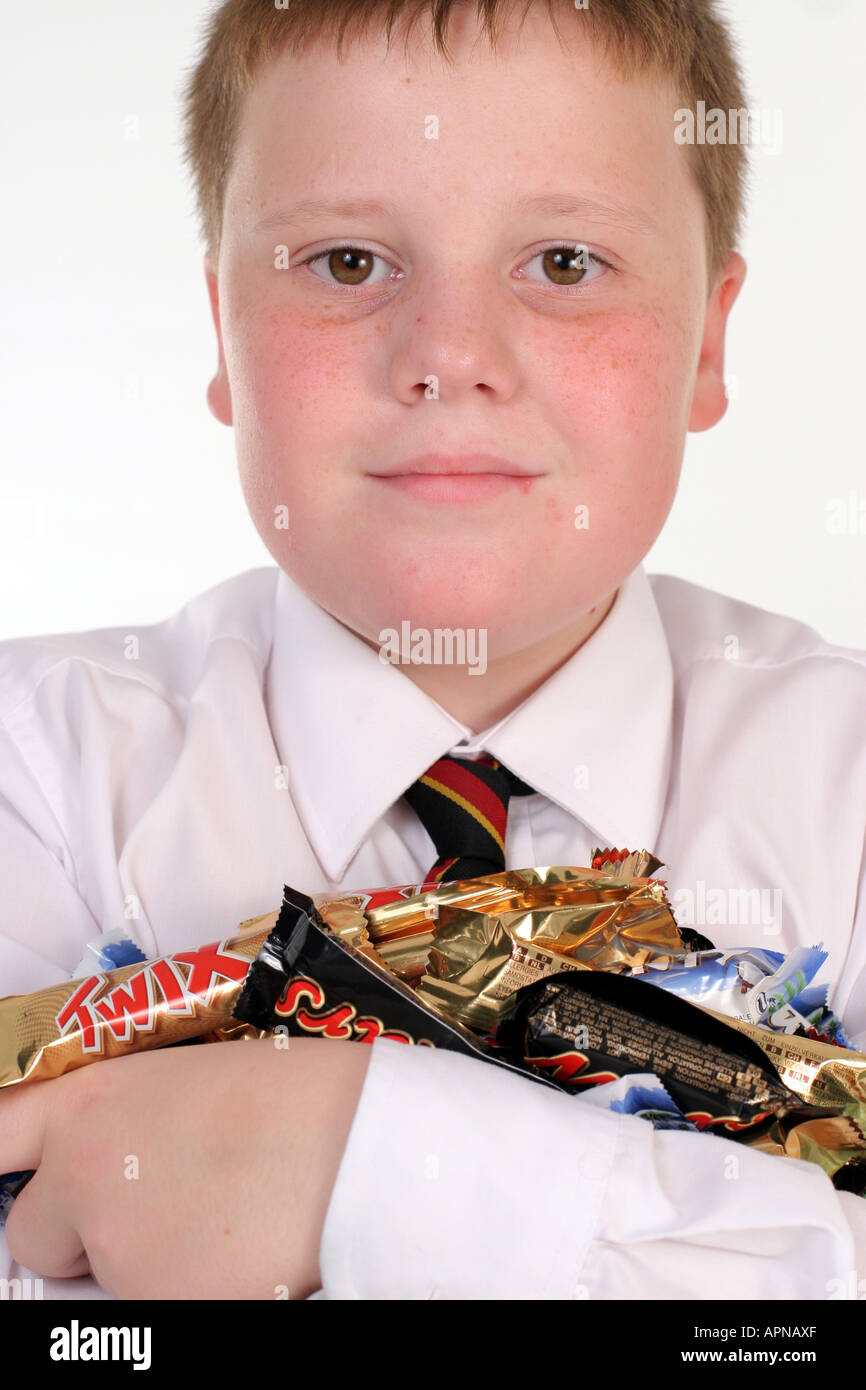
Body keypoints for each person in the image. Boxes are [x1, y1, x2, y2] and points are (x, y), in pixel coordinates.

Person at [0, 0, 864, 1301]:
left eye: (564, 263)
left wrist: (370, 1162)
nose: (449, 357)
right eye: (347, 263)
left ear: (706, 339)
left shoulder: (844, 796)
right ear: (222, 330)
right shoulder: (37, 778)